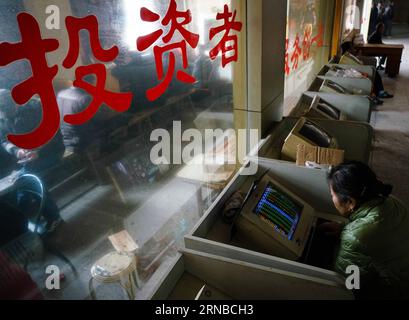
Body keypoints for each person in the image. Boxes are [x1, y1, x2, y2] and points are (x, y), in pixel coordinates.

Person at [321, 161, 409, 299]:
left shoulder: (357, 236)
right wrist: (344, 229)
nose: (332, 198)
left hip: (397, 290)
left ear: (350, 202)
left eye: (332, 195)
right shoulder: (391, 201)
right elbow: (379, 233)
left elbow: (349, 284)